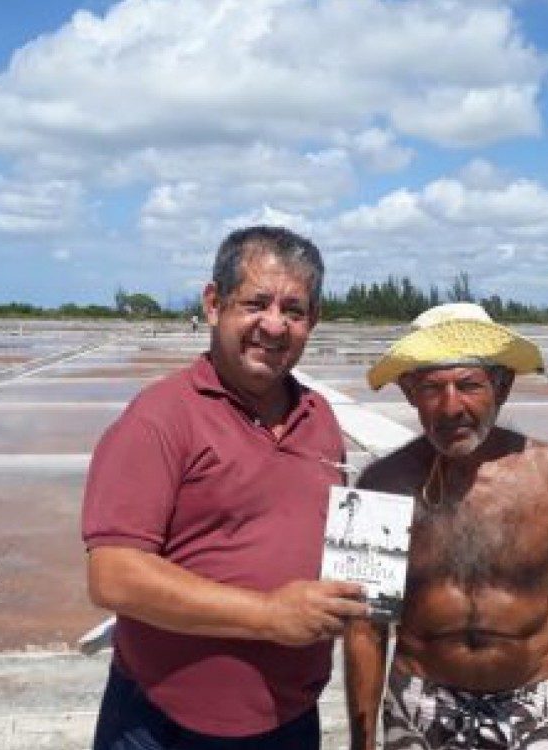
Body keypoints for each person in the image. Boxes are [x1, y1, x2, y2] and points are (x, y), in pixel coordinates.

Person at [83, 225, 370, 750]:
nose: (275, 325)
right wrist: (269, 616)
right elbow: (113, 576)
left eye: (294, 310)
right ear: (214, 304)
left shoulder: (320, 416)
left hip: (290, 718)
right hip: (163, 722)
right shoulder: (161, 418)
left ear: (314, 321)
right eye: (256, 303)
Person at [343, 303, 548, 750]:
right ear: (410, 392)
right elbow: (365, 630)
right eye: (432, 388)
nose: (451, 407)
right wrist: (362, 744)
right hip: (420, 703)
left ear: (501, 386)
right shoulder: (379, 486)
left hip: (534, 705)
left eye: (469, 385)